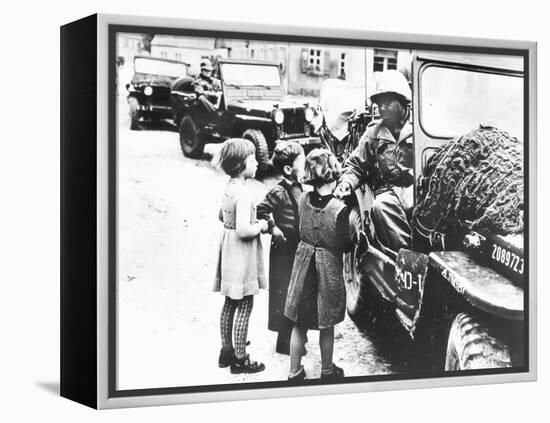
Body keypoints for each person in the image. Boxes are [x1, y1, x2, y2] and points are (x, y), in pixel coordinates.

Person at [284, 149, 353, 381]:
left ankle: (294, 371)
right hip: (327, 272)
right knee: (327, 323)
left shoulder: (303, 199)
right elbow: (345, 245)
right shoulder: (339, 209)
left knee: (298, 324)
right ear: (333, 175)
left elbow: (299, 228)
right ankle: (327, 370)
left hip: (304, 269)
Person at [334, 69, 414, 252]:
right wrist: (346, 183)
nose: (381, 108)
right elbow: (355, 165)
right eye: (379, 104)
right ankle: (406, 256)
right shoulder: (373, 133)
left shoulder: (419, 127)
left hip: (415, 188)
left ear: (402, 101)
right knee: (380, 206)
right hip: (387, 190)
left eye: (387, 102)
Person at [212, 138, 269, 374]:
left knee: (229, 302)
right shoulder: (244, 194)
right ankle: (240, 358)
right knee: (245, 302)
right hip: (242, 254)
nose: (256, 163)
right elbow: (245, 230)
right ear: (240, 165)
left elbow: (221, 216)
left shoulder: (229, 188)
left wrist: (235, 222)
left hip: (229, 250)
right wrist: (262, 225)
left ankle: (226, 351)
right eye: (253, 159)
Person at [256, 141, 306, 355]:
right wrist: (273, 228)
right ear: (288, 169)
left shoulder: (300, 187)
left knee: (298, 292)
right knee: (284, 293)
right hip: (284, 250)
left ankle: (295, 338)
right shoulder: (278, 190)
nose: (304, 165)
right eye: (301, 162)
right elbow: (261, 210)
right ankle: (284, 341)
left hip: (298, 247)